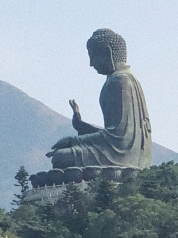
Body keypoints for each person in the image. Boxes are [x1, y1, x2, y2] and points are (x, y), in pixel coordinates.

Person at [46, 29, 151, 171]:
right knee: (62, 156)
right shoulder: (123, 79)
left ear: (108, 52)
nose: (91, 63)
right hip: (120, 151)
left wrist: (74, 140)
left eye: (93, 56)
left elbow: (120, 137)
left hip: (121, 156)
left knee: (61, 157)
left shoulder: (120, 81)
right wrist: (81, 126)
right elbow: (114, 132)